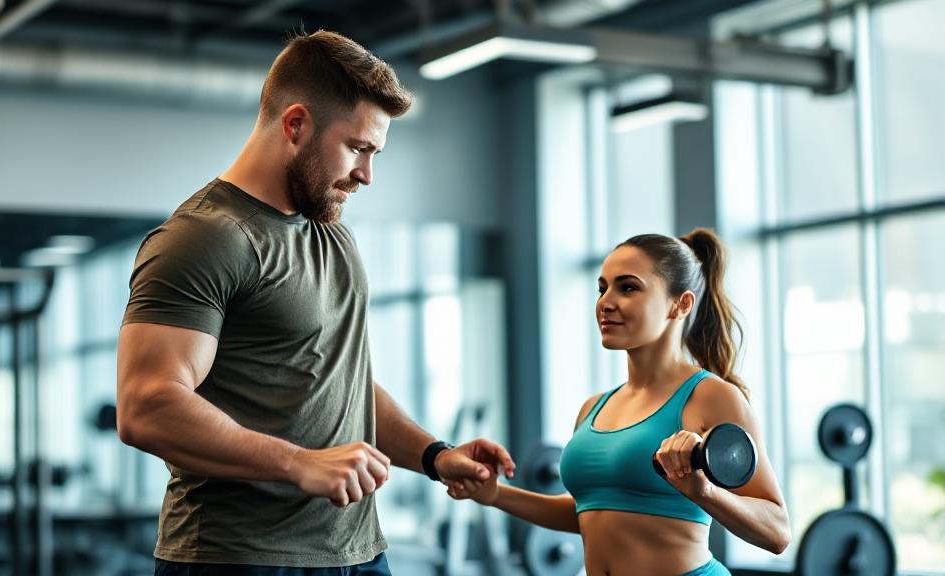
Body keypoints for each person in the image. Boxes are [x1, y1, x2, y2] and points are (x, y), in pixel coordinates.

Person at [116, 30, 515, 575]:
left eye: (375, 154)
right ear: (296, 124)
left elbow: (340, 382)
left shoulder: (331, 234)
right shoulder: (207, 238)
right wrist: (297, 463)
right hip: (238, 560)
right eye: (357, 148)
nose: (367, 176)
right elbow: (146, 405)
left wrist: (434, 456)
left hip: (359, 553)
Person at [447, 229, 790, 576]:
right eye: (602, 288)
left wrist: (704, 492)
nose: (605, 302)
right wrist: (496, 495)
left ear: (681, 304)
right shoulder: (593, 408)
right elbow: (592, 511)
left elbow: (777, 532)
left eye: (628, 287)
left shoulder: (711, 396)